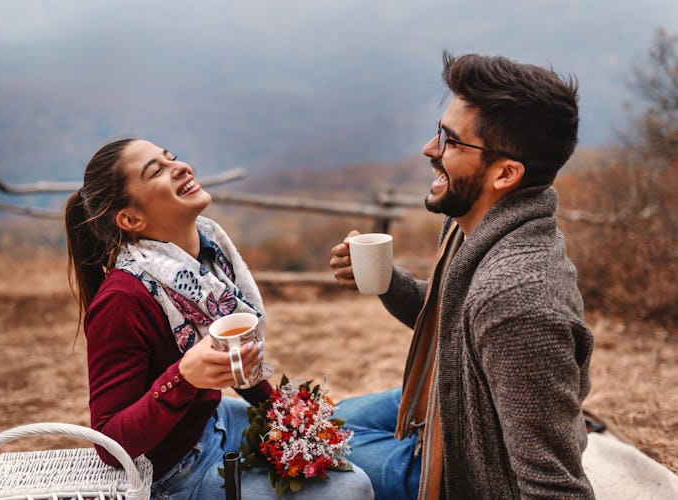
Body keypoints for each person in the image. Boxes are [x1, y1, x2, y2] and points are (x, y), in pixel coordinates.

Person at [330, 52, 595, 499]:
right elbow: (452, 319)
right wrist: (387, 282)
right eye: (440, 132)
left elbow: (554, 487)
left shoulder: (519, 302)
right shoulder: (469, 221)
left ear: (506, 173)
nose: (429, 150)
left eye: (451, 142)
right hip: (445, 410)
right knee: (324, 418)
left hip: (461, 472)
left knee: (310, 445)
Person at [65, 138, 373, 499]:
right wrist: (182, 379)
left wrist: (278, 411)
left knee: (336, 440)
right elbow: (108, 444)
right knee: (352, 489)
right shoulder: (123, 301)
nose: (179, 167)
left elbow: (232, 358)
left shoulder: (205, 257)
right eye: (157, 172)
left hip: (214, 421)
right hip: (173, 474)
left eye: (172, 158)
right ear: (132, 219)